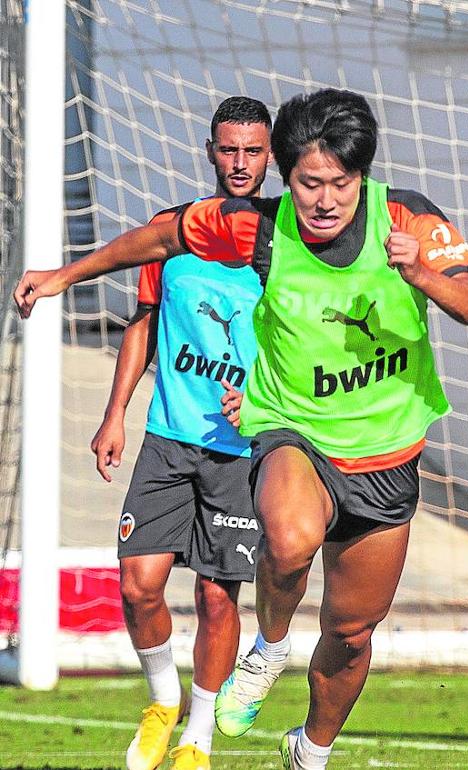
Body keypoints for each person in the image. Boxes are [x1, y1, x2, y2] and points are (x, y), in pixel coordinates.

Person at [14, 88, 468, 770]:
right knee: (290, 538)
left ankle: (311, 750)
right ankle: (268, 647)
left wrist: (420, 270)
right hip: (291, 430)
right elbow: (156, 236)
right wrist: (64, 275)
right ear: (286, 173)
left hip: (387, 453)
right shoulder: (255, 228)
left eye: (339, 184)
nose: (324, 200)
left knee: (352, 632)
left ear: (361, 176)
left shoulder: (410, 218)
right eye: (308, 184)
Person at [89, 95, 271, 770]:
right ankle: (163, 701)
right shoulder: (174, 236)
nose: (241, 162)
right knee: (138, 584)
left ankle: (198, 734)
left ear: (270, 155)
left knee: (217, 597)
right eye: (229, 149)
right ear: (210, 151)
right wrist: (116, 414)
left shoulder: (282, 248)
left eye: (253, 150)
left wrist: (258, 394)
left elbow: (301, 339)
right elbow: (141, 324)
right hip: (167, 438)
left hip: (241, 451)